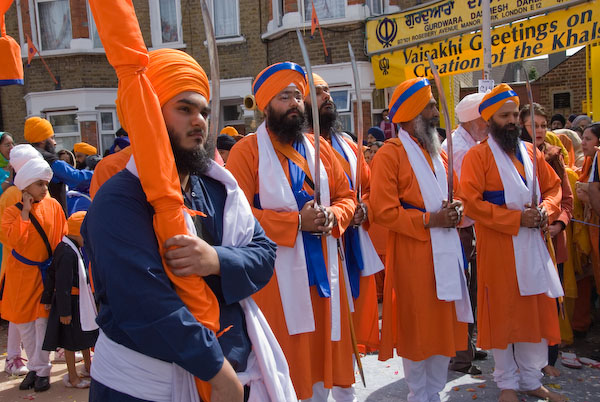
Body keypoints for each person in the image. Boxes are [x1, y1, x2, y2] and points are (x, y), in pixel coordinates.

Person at [87, 2, 295, 400]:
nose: (200, 120)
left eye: (202, 110)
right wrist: (215, 371)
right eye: (184, 109)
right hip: (146, 386)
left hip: (235, 374)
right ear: (148, 114)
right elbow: (144, 304)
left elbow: (264, 253)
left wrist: (215, 259)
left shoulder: (216, 187)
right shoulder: (118, 201)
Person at [226, 62, 357, 401]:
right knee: (287, 361)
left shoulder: (320, 147)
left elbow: (347, 197)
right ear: (266, 105)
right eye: (285, 97)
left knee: (321, 359)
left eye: (299, 96)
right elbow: (235, 217)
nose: (296, 103)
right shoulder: (246, 151)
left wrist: (332, 215)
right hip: (275, 283)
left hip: (325, 276)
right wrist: (295, 223)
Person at [460, 84, 565, 402]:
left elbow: (554, 188)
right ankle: (507, 383)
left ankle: (532, 380)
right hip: (499, 250)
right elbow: (471, 203)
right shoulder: (477, 157)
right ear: (489, 119)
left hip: (533, 246)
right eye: (504, 115)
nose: (512, 120)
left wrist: (546, 211)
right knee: (504, 314)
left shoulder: (532, 152)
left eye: (515, 115)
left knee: (533, 312)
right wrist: (516, 219)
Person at [369, 77, 471, 402]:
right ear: (413, 113)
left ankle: (434, 393)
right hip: (414, 254)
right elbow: (383, 212)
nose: (434, 112)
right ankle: (419, 395)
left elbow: (459, 194)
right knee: (417, 328)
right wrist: (429, 219)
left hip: (447, 251)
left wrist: (457, 208)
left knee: (442, 325)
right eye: (428, 106)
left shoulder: (438, 153)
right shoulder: (390, 154)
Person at [304, 73, 383, 357]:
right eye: (318, 92)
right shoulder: (294, 148)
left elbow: (370, 189)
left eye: (327, 91)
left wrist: (363, 208)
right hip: (315, 244)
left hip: (352, 240)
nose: (327, 97)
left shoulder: (350, 146)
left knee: (351, 320)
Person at [0, 155, 67, 392]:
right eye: (40, 184)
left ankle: (41, 370)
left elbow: (61, 237)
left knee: (41, 324)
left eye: (46, 184)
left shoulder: (54, 206)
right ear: (25, 185)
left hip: (45, 275)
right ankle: (37, 368)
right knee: (25, 324)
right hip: (21, 275)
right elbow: (14, 241)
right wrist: (25, 214)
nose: (45, 188)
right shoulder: (11, 212)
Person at [519, 103, 574, 377]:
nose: (539, 130)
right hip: (521, 242)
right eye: (533, 125)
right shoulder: (512, 156)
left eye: (543, 125)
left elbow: (566, 200)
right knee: (526, 303)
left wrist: (558, 225)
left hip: (551, 241)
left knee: (552, 301)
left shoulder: (553, 156)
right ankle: (524, 362)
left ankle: (549, 359)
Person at [441, 92, 489, 376]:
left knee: (471, 292)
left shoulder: (471, 143)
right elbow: (467, 195)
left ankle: (467, 348)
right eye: (487, 119)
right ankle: (460, 355)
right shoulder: (459, 148)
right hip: (460, 231)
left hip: (469, 229)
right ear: (475, 121)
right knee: (462, 292)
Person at [41, 211, 97, 389]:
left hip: (79, 302)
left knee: (84, 337)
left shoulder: (72, 248)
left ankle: (88, 366)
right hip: (70, 303)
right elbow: (62, 282)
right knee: (70, 342)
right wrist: (64, 311)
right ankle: (73, 377)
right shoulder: (66, 253)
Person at [0, 144, 35, 378]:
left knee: (29, 312)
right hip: (18, 262)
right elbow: (8, 234)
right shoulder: (12, 195)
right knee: (18, 312)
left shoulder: (36, 190)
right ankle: (13, 357)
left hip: (33, 262)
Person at [24, 117, 93, 214]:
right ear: (42, 140)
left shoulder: (25, 158)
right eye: (51, 138)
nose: (55, 143)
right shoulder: (51, 162)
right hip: (53, 217)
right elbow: (76, 178)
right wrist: (101, 171)